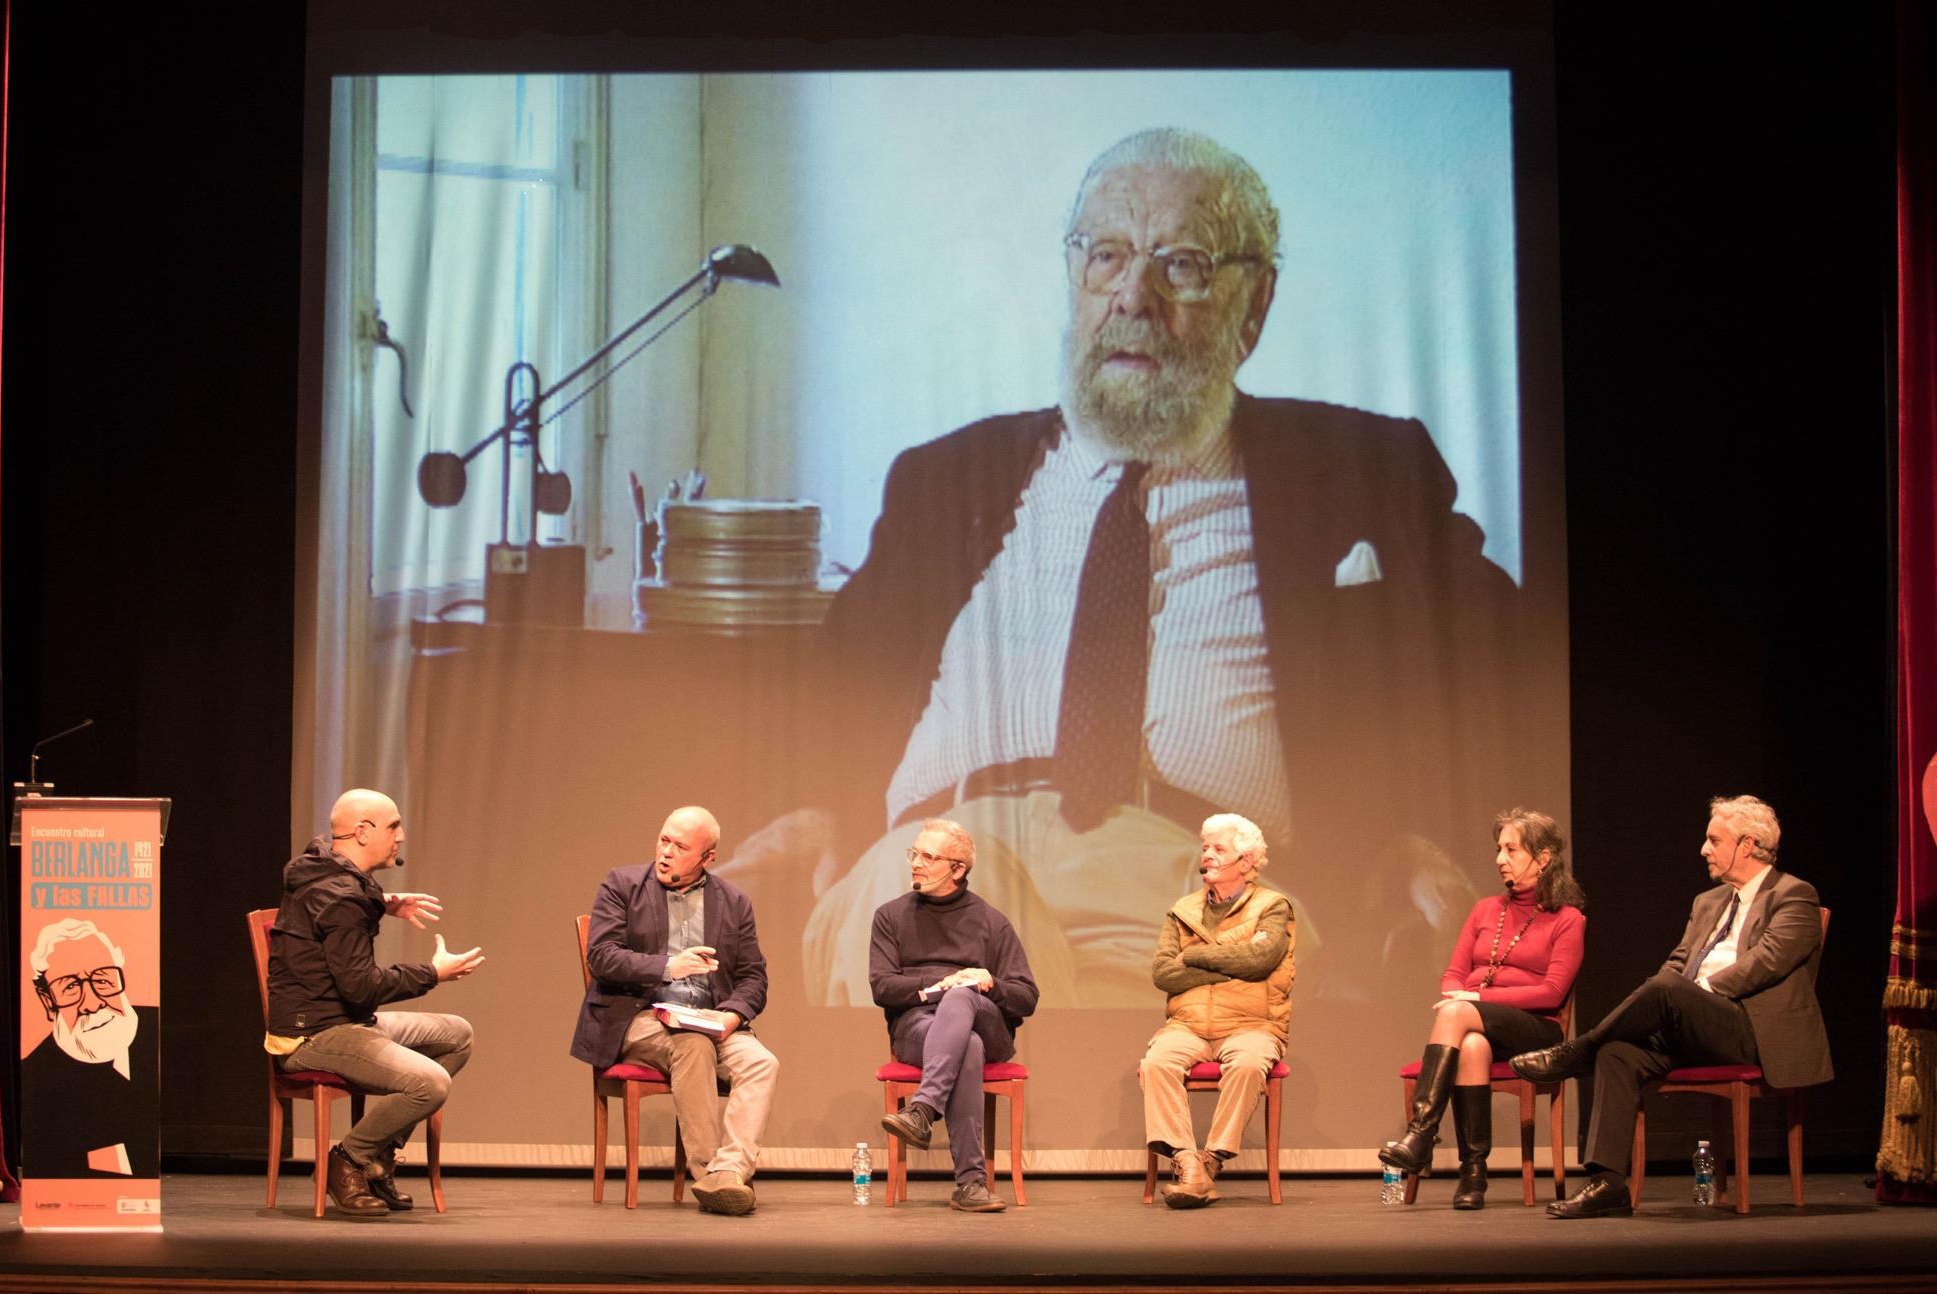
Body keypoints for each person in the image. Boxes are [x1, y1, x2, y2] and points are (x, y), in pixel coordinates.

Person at [802, 125, 1523, 1012]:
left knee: (1073, 1000)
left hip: (1197, 881)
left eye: (1179, 264)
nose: (1132, 297)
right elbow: (828, 686)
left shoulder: (1361, 471)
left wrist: (1421, 833)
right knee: (936, 912)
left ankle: (1016, 1107)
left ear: (1253, 303)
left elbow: (1509, 662)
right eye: (1106, 255)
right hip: (941, 857)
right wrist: (808, 807)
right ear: (1075, 276)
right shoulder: (946, 478)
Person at [1510, 795, 1831, 1218]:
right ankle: (1608, 1181)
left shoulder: (1794, 896)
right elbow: (1678, 961)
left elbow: (1765, 964)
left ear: (1747, 845)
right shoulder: (1708, 902)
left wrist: (1692, 992)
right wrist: (1679, 996)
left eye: (1714, 840)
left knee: (1667, 989)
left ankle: (1576, 1052)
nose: (1704, 849)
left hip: (1752, 1030)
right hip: (1694, 1023)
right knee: (1619, 1052)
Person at [267, 788, 483, 1216]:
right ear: (363, 832)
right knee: (431, 1083)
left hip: (343, 1019)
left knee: (457, 1036)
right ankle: (347, 1159)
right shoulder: (341, 896)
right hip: (314, 1034)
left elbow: (330, 905)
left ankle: (378, 1155)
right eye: (393, 826)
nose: (401, 836)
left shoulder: (327, 877)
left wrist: (381, 903)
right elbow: (361, 988)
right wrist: (433, 973)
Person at [569, 806, 779, 1216]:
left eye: (680, 847)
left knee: (762, 1062)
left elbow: (754, 977)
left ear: (707, 858)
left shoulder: (734, 902)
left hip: (710, 1019)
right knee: (692, 1048)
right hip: (640, 1017)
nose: (665, 852)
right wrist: (668, 966)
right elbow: (603, 956)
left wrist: (732, 1016)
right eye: (664, 840)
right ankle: (708, 1177)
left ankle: (730, 1172)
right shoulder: (623, 885)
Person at [1378, 808, 1586, 1209]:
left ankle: (1421, 1133)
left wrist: (1476, 998)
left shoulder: (1568, 919)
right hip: (1478, 1022)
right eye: (1498, 849)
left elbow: (1552, 992)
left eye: (1511, 849)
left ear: (1542, 858)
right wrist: (1463, 994)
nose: (1499, 859)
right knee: (1471, 1046)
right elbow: (1453, 974)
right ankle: (1473, 1174)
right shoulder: (1485, 909)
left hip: (1536, 1028)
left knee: (1454, 1014)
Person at [871, 819, 1039, 1213]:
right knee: (968, 1044)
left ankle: (923, 1109)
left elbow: (1026, 997)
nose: (916, 863)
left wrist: (987, 983)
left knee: (962, 1000)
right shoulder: (890, 916)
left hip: (989, 1023)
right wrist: (940, 981)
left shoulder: (991, 921)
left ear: (958, 868)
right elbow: (881, 987)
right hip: (917, 1028)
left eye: (929, 857)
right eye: (914, 853)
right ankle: (971, 1184)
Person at [1136, 814, 1294, 1208]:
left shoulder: (1272, 907)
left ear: (1246, 860)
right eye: (1205, 847)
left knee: (1247, 1064)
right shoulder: (1182, 910)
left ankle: (1213, 1160)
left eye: (1218, 849)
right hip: (1187, 1024)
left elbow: (1261, 959)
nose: (1206, 855)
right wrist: (1227, 966)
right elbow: (1163, 973)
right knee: (1156, 1063)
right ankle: (1188, 1163)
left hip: (1252, 1024)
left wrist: (1197, 956)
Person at [21, 919, 158, 1179]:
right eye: (70, 987)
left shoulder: (153, 1031)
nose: (92, 1002)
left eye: (103, 980)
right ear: (48, 1002)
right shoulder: (41, 1082)